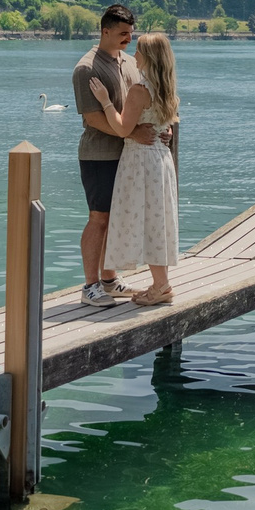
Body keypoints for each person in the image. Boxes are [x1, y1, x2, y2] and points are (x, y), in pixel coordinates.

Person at [73, 5, 160, 304]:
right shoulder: (87, 68)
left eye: (130, 34)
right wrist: (132, 132)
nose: (128, 39)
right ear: (105, 31)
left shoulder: (128, 61)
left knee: (116, 218)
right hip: (98, 155)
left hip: (127, 154)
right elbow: (92, 117)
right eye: (123, 34)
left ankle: (109, 279)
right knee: (99, 218)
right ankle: (89, 286)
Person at [98, 31, 181, 305]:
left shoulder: (139, 91)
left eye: (139, 51)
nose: (134, 54)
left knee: (147, 221)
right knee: (158, 220)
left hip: (140, 160)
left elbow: (122, 128)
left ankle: (161, 286)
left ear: (148, 57)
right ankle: (160, 283)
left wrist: (105, 102)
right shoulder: (166, 89)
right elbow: (166, 125)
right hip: (161, 160)